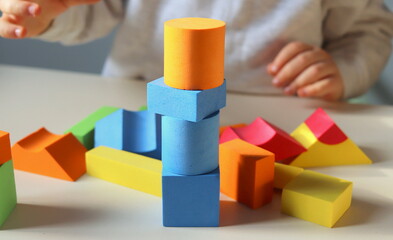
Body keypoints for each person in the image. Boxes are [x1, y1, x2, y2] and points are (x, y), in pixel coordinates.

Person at [1, 0, 392, 101]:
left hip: (279, 113)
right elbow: (92, 11)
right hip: (142, 102)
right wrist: (47, 16)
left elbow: (369, 30)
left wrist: (342, 71)